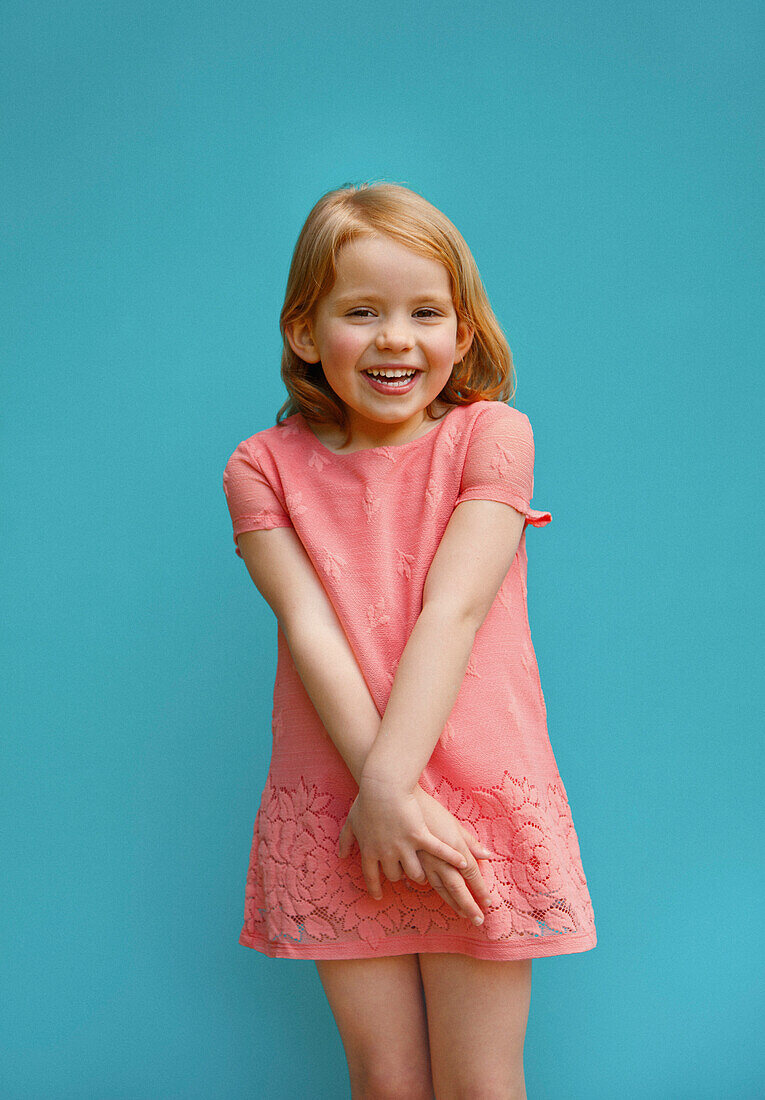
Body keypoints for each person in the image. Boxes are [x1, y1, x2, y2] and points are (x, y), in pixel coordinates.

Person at [222, 181, 597, 1100]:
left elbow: (453, 612)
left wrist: (395, 788)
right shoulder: (259, 467)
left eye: (425, 312)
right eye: (362, 311)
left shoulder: (492, 436)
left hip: (470, 801)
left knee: (478, 1082)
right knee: (385, 1082)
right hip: (343, 804)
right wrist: (377, 794)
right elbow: (310, 626)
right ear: (306, 333)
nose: (396, 337)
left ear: (461, 334)